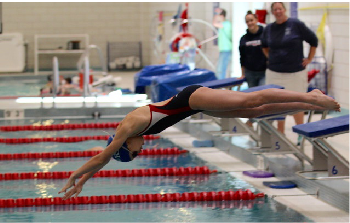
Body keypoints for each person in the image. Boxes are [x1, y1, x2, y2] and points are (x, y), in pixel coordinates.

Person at [59, 85, 340, 200]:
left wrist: (77, 176)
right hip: (195, 107)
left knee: (249, 100)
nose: (141, 150)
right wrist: (85, 181)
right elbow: (105, 158)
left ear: (124, 146)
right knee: (252, 112)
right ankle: (304, 102)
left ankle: (311, 97)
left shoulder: (128, 127)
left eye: (134, 153)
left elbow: (103, 157)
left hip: (191, 99)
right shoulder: (128, 132)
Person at [261, 2, 318, 139]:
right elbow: (264, 46)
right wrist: (271, 57)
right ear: (272, 12)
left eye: (280, 9)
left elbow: (313, 40)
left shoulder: (295, 24)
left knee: (297, 103)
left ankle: (301, 132)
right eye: (275, 10)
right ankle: (281, 134)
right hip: (275, 73)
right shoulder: (269, 28)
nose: (278, 11)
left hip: (295, 72)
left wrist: (309, 58)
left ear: (284, 10)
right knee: (277, 104)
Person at [239, 10, 266, 88]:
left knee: (262, 93)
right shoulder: (244, 38)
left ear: (256, 20)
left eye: (251, 20)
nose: (250, 23)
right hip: (250, 72)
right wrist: (242, 74)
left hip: (264, 72)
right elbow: (242, 57)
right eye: (247, 21)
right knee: (252, 96)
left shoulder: (265, 34)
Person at [213, 8, 232, 80]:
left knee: (221, 69)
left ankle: (220, 86)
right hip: (223, 49)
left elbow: (214, 23)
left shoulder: (226, 24)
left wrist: (215, 13)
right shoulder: (225, 24)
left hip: (226, 49)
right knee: (220, 69)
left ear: (221, 16)